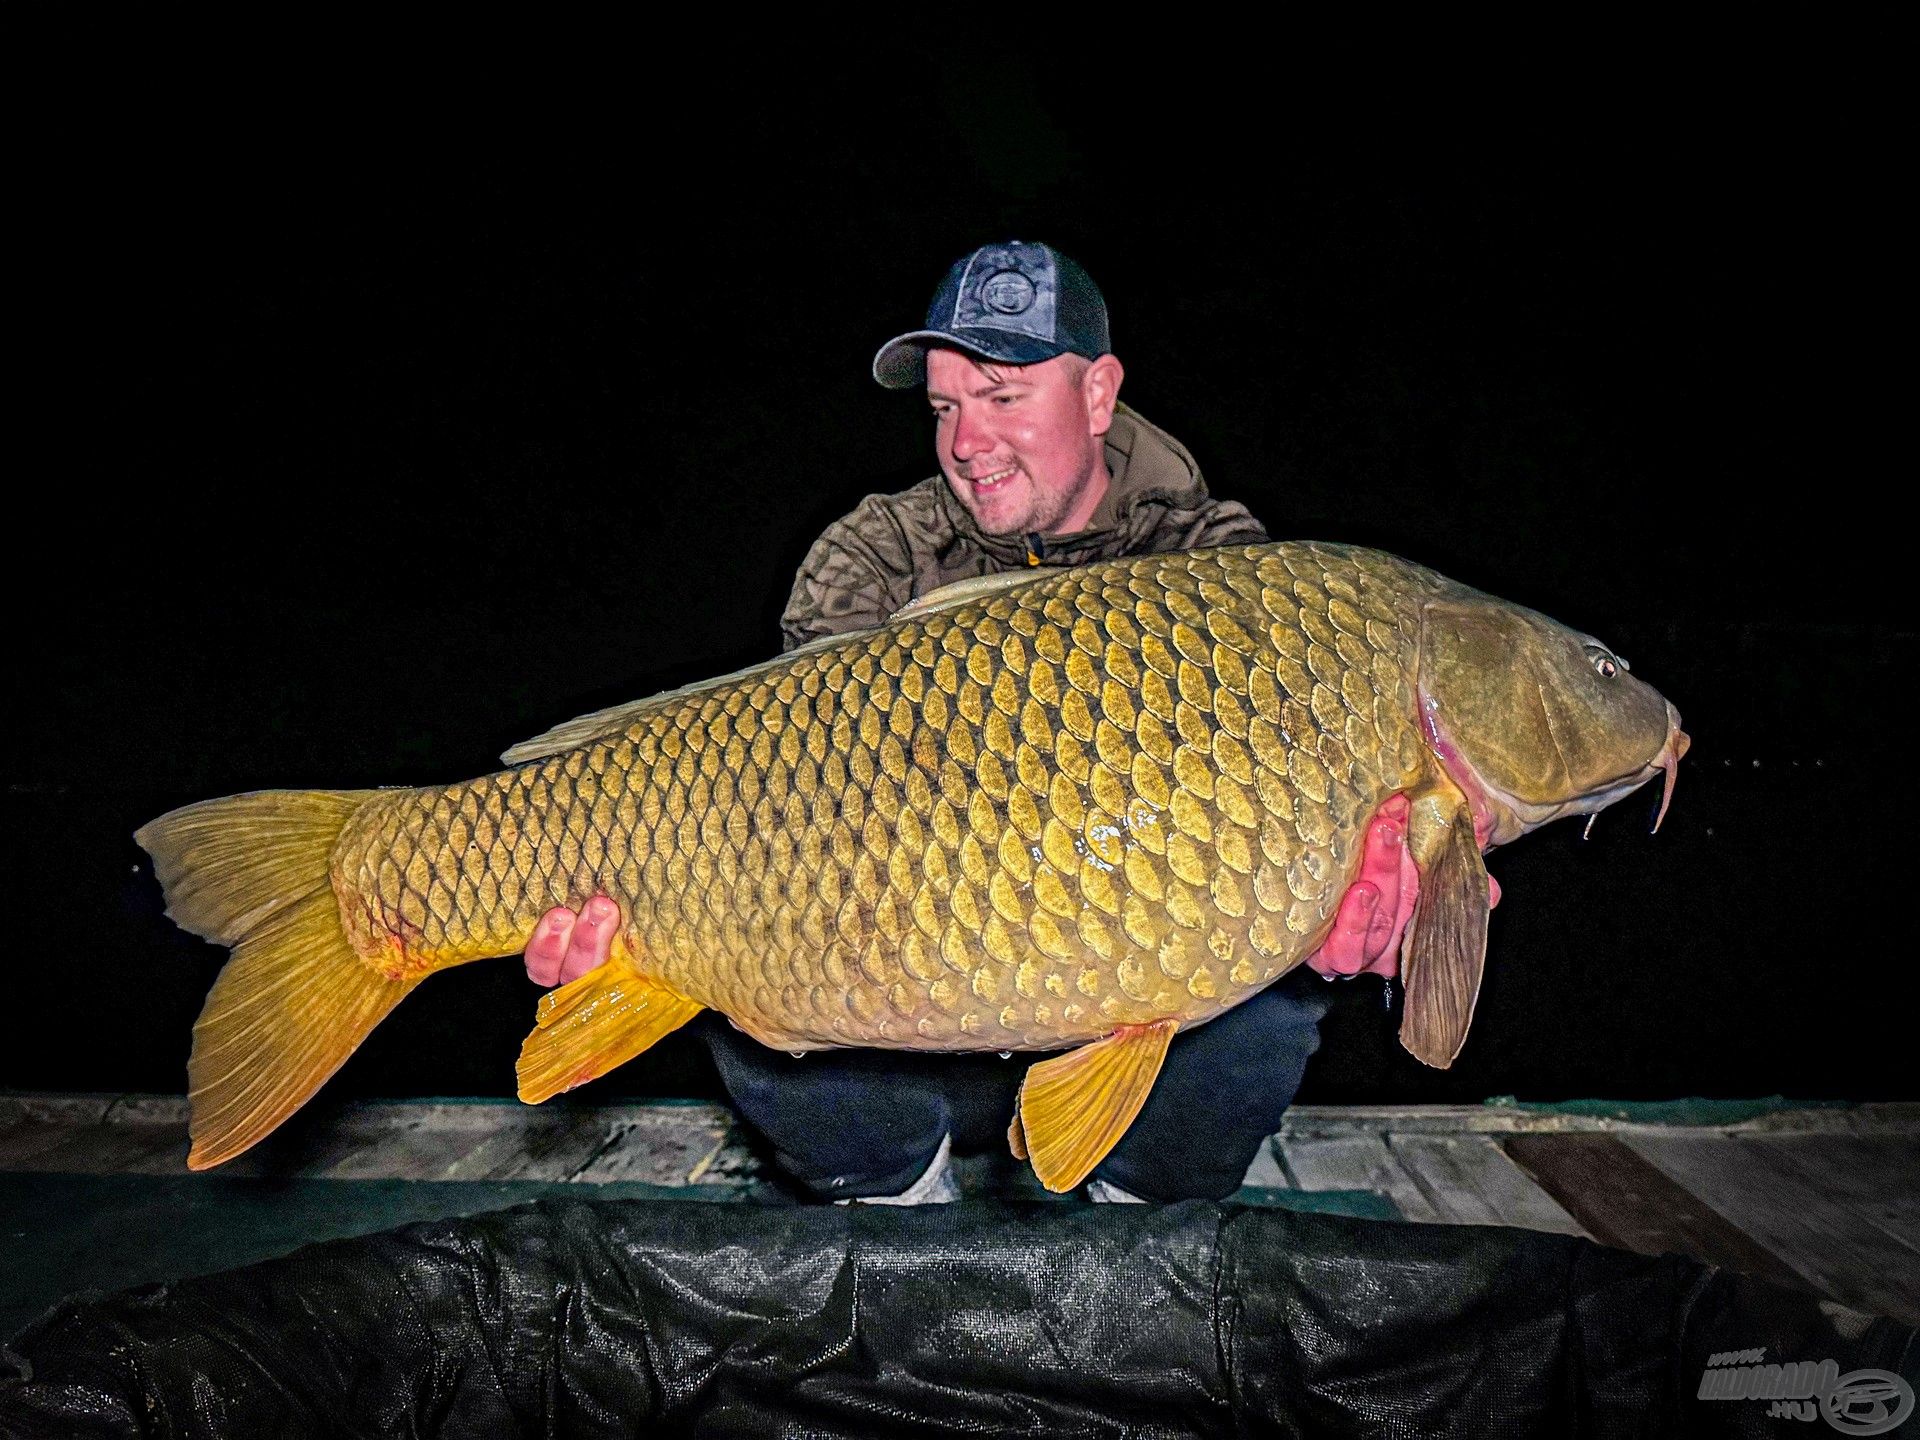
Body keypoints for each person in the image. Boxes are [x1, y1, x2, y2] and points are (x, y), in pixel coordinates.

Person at [525, 242, 1415, 1203]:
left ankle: (1135, 1213)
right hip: (910, 1017)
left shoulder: (1212, 565)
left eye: (1002, 397)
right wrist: (638, 910)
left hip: (1128, 996)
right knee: (724, 950)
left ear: (1099, 393)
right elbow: (783, 787)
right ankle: (896, 1194)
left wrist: (1362, 884)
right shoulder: (874, 555)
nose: (964, 442)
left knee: (1276, 977)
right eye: (945, 406)